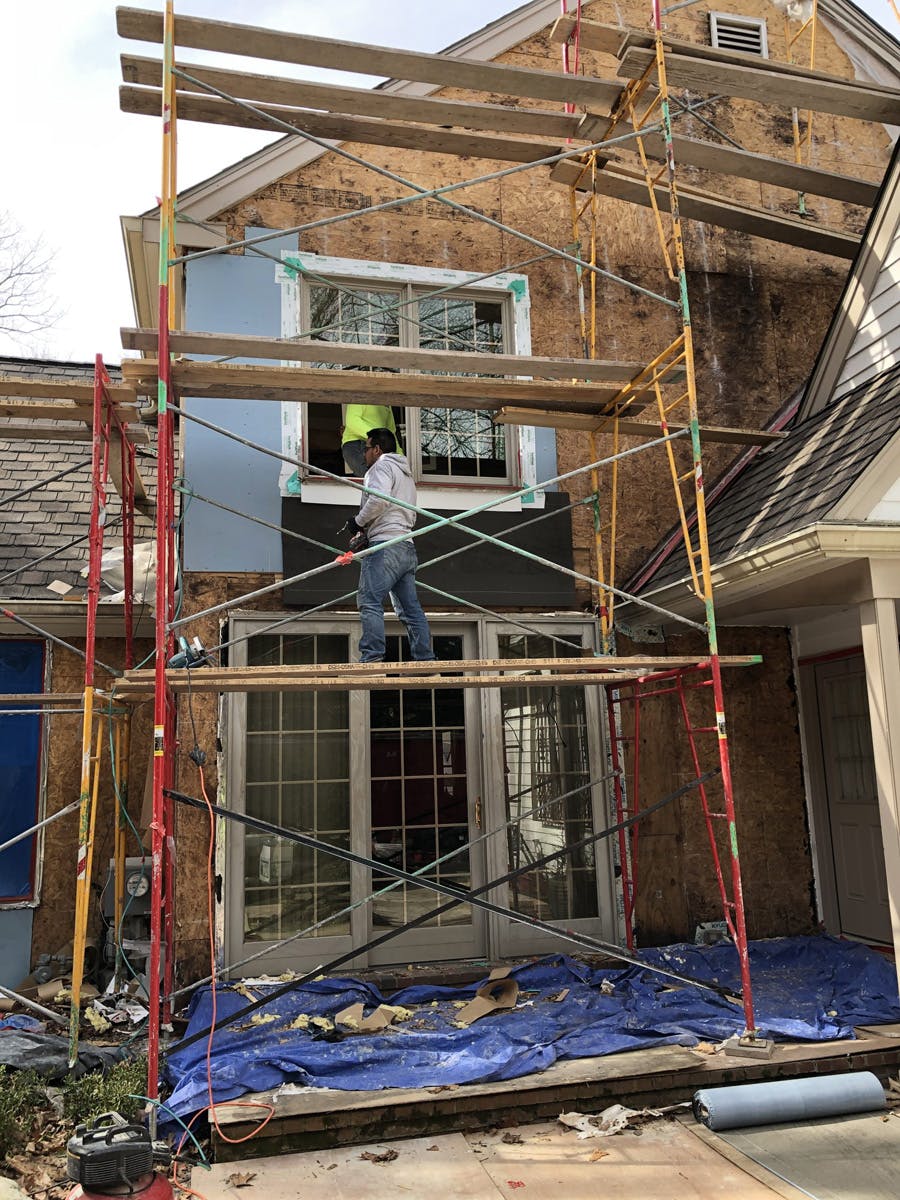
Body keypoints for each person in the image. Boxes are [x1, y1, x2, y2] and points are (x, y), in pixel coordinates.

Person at [344, 428, 436, 664]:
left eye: (365, 449)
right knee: (409, 609)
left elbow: (379, 499)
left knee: (369, 601)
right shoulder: (405, 473)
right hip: (406, 546)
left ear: (377, 449)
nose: (363, 454)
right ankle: (425, 661)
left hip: (386, 546)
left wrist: (357, 522)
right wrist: (367, 529)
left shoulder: (381, 466)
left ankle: (372, 659)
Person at [341, 404, 401, 476]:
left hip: (378, 444)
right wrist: (377, 437)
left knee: (391, 476)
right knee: (375, 477)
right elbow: (352, 421)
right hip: (357, 443)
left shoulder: (386, 402)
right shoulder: (361, 395)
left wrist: (400, 456)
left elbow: (391, 433)